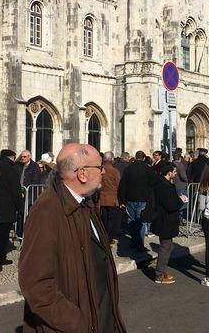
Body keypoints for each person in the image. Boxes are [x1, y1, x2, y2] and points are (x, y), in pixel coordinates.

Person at [18, 143, 127, 333]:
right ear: (82, 174)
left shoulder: (86, 204)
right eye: (99, 167)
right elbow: (36, 285)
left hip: (100, 317)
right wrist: (78, 323)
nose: (103, 172)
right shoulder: (47, 211)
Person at [152, 162, 186, 284]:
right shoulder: (165, 186)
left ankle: (162, 270)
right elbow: (170, 205)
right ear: (169, 172)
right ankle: (159, 274)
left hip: (162, 220)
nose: (176, 173)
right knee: (166, 247)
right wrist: (181, 200)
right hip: (165, 220)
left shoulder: (161, 184)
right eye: (174, 171)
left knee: (167, 246)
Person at [117, 151, 152, 252]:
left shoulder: (129, 168)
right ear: (144, 158)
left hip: (130, 198)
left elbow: (123, 184)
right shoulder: (147, 169)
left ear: (135, 157)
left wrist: (121, 199)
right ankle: (139, 244)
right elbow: (152, 183)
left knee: (132, 221)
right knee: (141, 222)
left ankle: (133, 242)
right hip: (143, 199)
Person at [0, 150, 22, 265]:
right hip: (7, 206)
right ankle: (0, 257)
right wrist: (20, 206)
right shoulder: (11, 170)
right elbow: (15, 191)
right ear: (10, 157)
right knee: (3, 234)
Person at [99, 152, 123, 244]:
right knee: (111, 220)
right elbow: (118, 185)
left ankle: (104, 237)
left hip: (102, 198)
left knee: (104, 219)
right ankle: (108, 239)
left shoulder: (100, 170)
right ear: (112, 159)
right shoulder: (114, 171)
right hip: (113, 199)